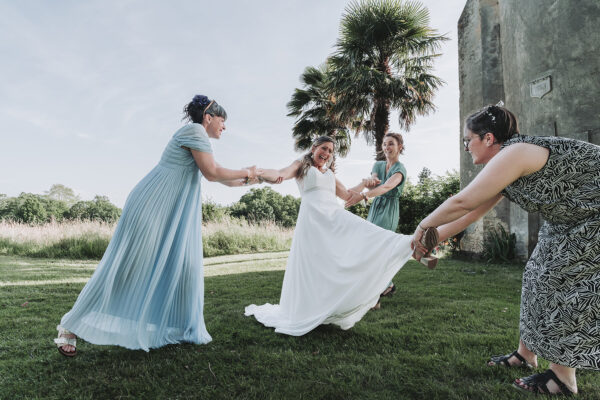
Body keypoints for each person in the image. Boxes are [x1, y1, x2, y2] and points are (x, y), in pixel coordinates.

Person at [412, 104, 600, 395]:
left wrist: (422, 226)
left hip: (592, 217)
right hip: (565, 220)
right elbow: (470, 213)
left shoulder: (515, 152)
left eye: (467, 140)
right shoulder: (501, 166)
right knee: (535, 277)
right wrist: (427, 240)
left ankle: (563, 377)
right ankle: (526, 355)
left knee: (565, 285)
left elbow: (461, 202)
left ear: (487, 138)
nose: (465, 147)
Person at [54, 95, 259, 355]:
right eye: (222, 120)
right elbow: (213, 172)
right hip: (151, 205)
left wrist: (255, 178)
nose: (224, 127)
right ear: (208, 117)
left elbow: (222, 179)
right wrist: (248, 172)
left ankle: (183, 328)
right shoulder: (194, 131)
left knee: (184, 265)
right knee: (127, 266)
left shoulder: (198, 138)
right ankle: (69, 325)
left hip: (166, 210)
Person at [244, 136, 437, 336]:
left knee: (366, 233)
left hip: (333, 219)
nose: (326, 154)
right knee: (313, 267)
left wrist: (364, 184)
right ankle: (306, 310)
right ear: (313, 148)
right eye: (323, 148)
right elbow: (280, 173)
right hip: (312, 223)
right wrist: (257, 172)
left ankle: (410, 245)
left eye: (330, 151)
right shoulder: (301, 165)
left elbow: (346, 195)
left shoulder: (329, 174)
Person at [345, 132, 408, 308]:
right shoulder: (378, 164)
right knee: (370, 247)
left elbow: (387, 187)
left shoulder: (400, 169)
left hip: (388, 211)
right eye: (384, 144)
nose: (387, 147)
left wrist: (364, 196)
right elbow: (374, 179)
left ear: (400, 147)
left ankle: (374, 298)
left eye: (391, 144)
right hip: (375, 208)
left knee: (375, 250)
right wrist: (369, 181)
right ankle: (388, 286)